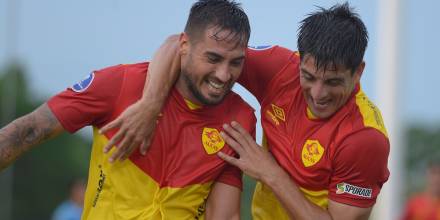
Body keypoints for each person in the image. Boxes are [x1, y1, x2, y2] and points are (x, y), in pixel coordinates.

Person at [103, 2, 390, 220]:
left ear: (358, 72)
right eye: (309, 77)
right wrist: (150, 105)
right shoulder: (280, 68)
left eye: (333, 82)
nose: (318, 94)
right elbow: (181, 46)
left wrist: (270, 172)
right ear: (300, 60)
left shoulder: (365, 138)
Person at [0, 0, 255, 219]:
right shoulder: (119, 85)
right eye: (213, 59)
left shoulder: (240, 119)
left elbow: (223, 214)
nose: (223, 75)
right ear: (184, 46)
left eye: (235, 63)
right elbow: (30, 130)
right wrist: (151, 103)